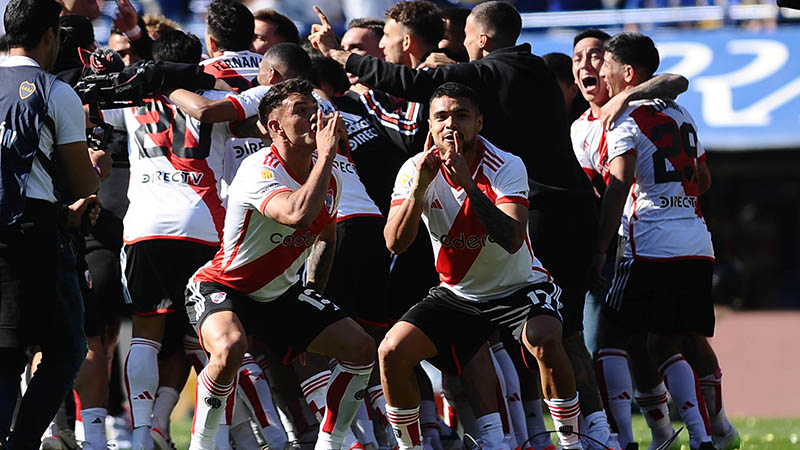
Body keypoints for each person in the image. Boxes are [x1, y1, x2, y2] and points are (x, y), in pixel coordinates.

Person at [381, 82, 582, 450]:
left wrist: (470, 187)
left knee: (545, 338)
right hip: (458, 294)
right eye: (441, 117)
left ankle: (573, 443)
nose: (450, 125)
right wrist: (418, 191)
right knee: (391, 351)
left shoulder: (506, 164)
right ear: (430, 125)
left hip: (518, 286)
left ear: (479, 123)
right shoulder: (415, 169)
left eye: (461, 115)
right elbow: (395, 242)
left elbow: (511, 238)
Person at [184, 78, 375, 450]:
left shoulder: (328, 177)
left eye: (315, 110)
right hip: (224, 286)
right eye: (300, 112)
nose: (314, 119)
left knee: (363, 349)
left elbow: (326, 239)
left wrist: (309, 312)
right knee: (229, 348)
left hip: (282, 295)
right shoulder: (260, 169)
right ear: (274, 127)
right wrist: (328, 156)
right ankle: (204, 445)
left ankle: (330, 444)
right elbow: (298, 215)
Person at [593, 32, 716, 450]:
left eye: (606, 65)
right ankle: (702, 437)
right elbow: (704, 180)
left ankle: (624, 440)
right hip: (696, 242)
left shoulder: (625, 118)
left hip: (650, 242)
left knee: (611, 337)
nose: (599, 73)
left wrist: (599, 248)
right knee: (667, 341)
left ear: (627, 73)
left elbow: (618, 187)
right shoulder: (681, 115)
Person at [0, 0, 102, 448]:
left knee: (3, 353)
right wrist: (98, 165)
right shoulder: (54, 90)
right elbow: (83, 180)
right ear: (49, 35)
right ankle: (21, 443)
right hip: (31, 233)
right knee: (66, 349)